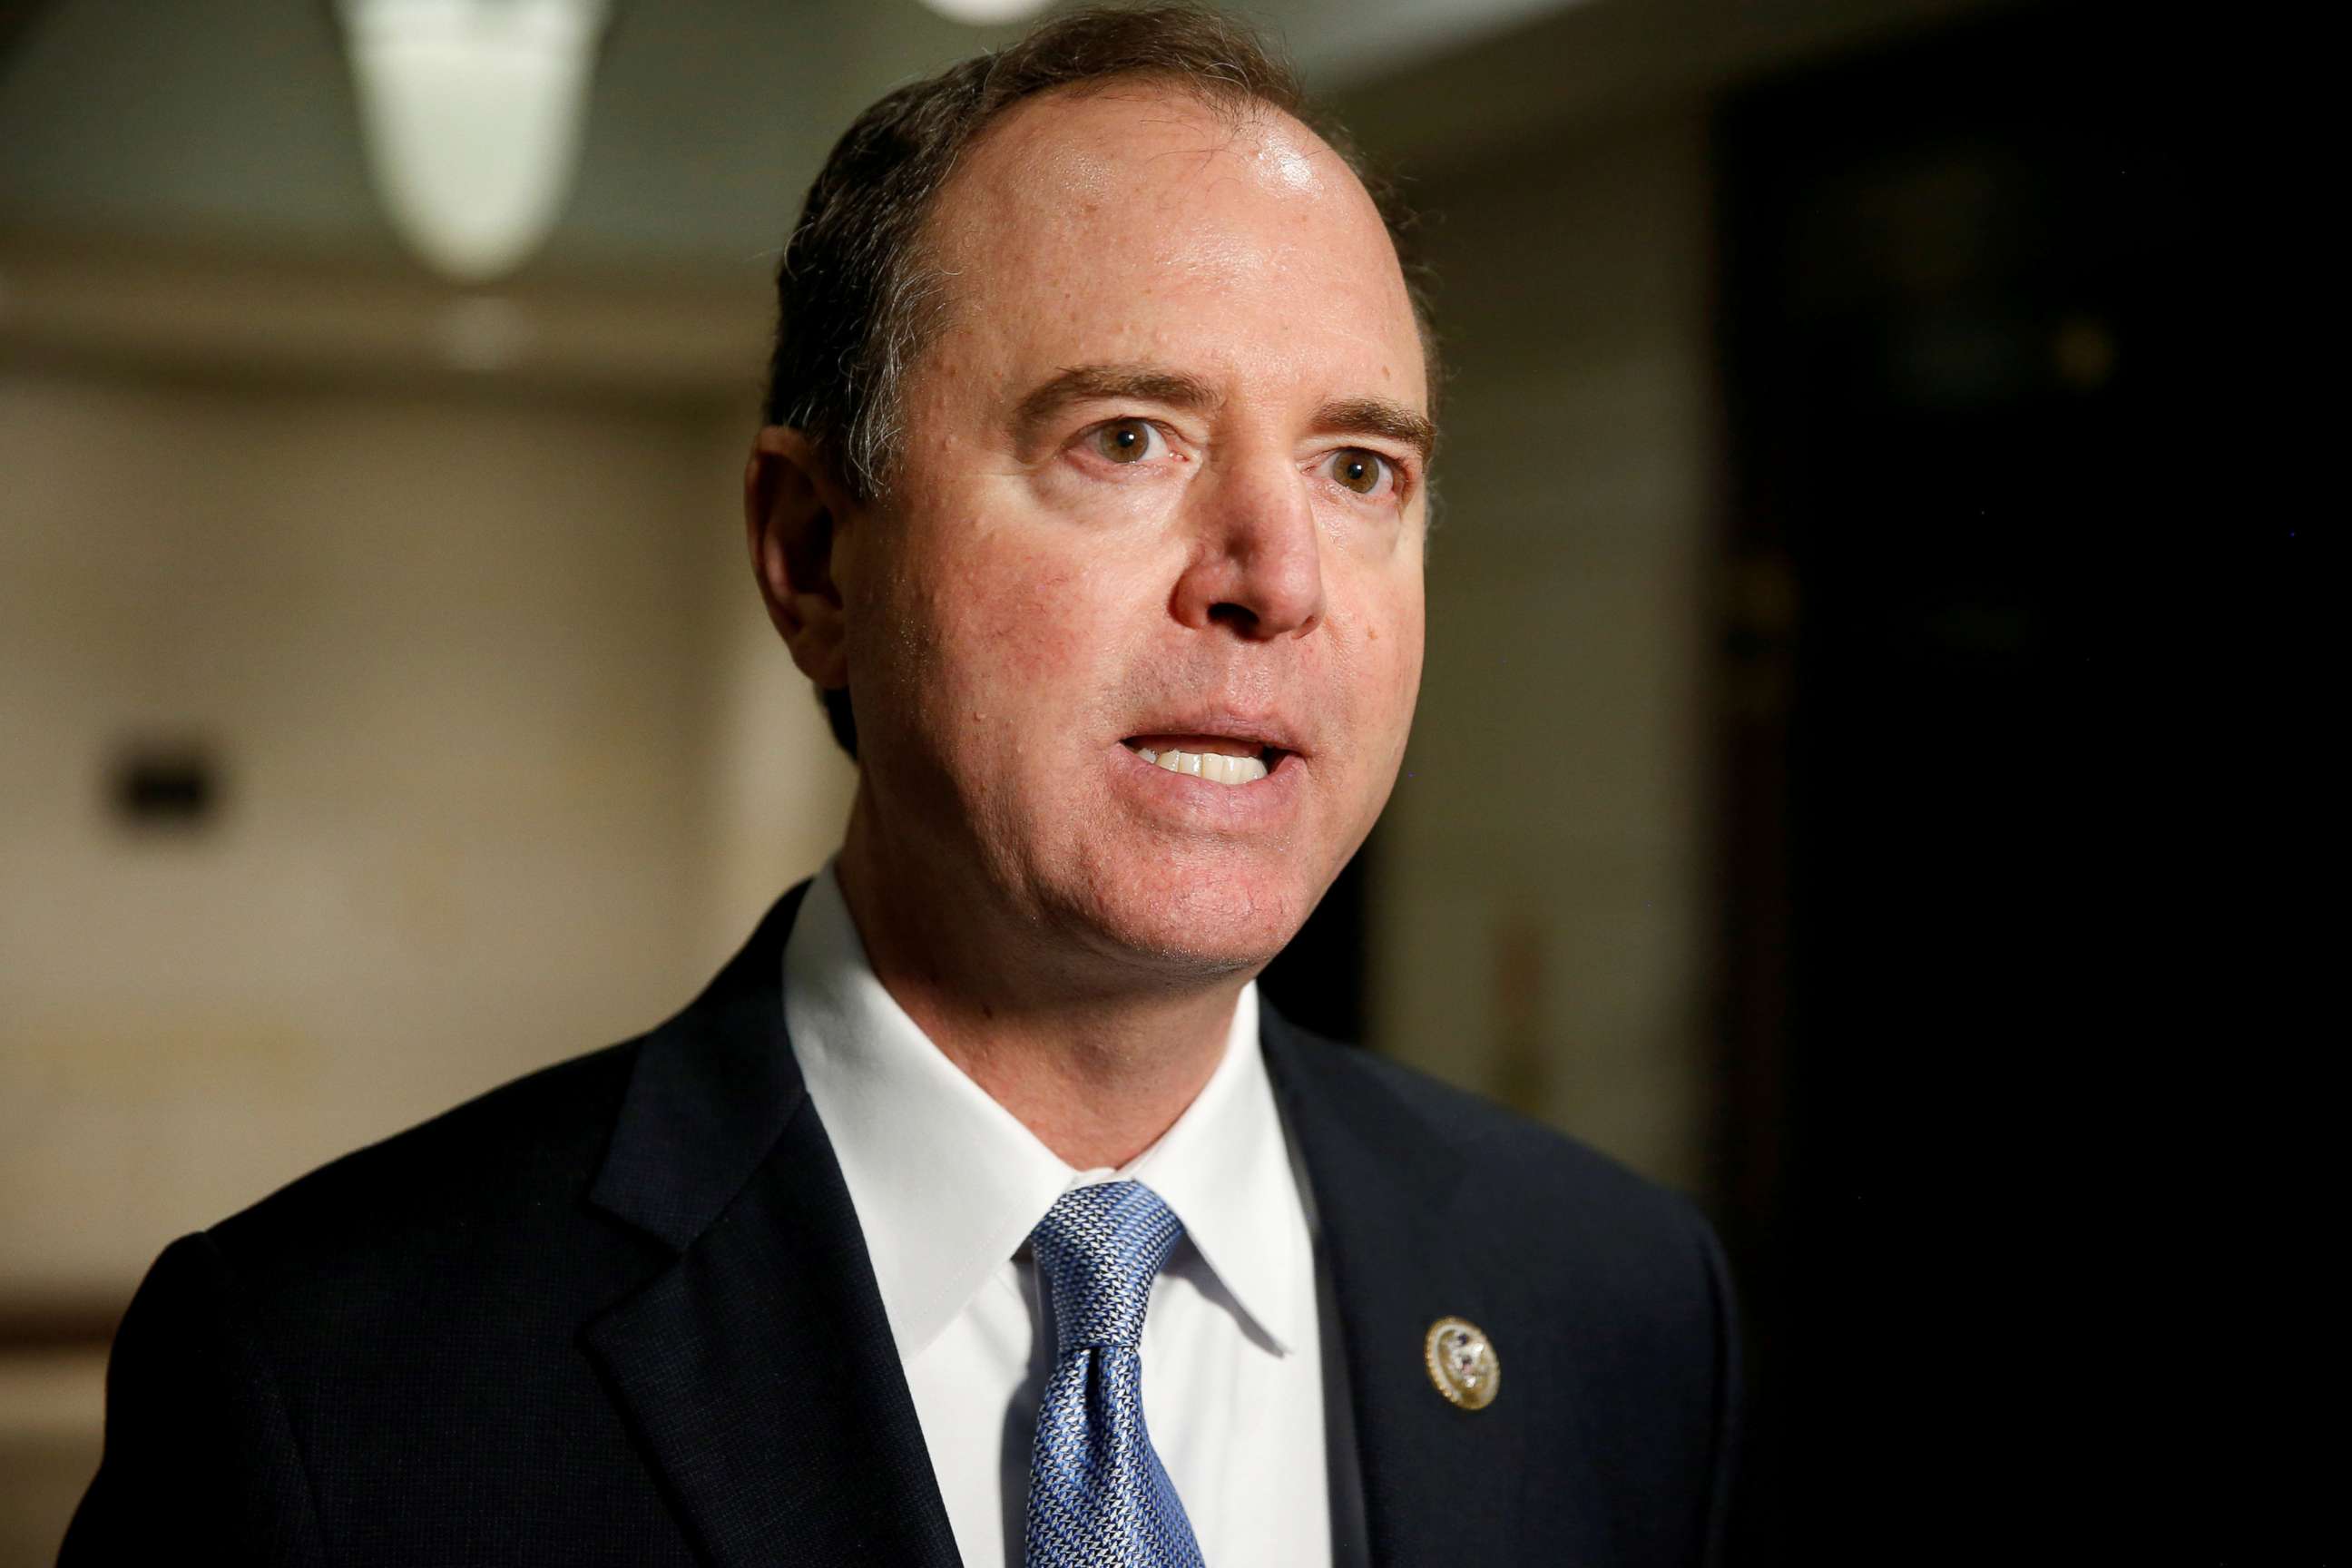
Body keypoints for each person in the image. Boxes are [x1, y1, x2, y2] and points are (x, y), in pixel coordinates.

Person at [61, 7, 1735, 1564]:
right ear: (810, 558)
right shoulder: (325, 1381)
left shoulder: (1622, 1310)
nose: (1274, 577)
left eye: (1359, 468)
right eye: (1128, 437)